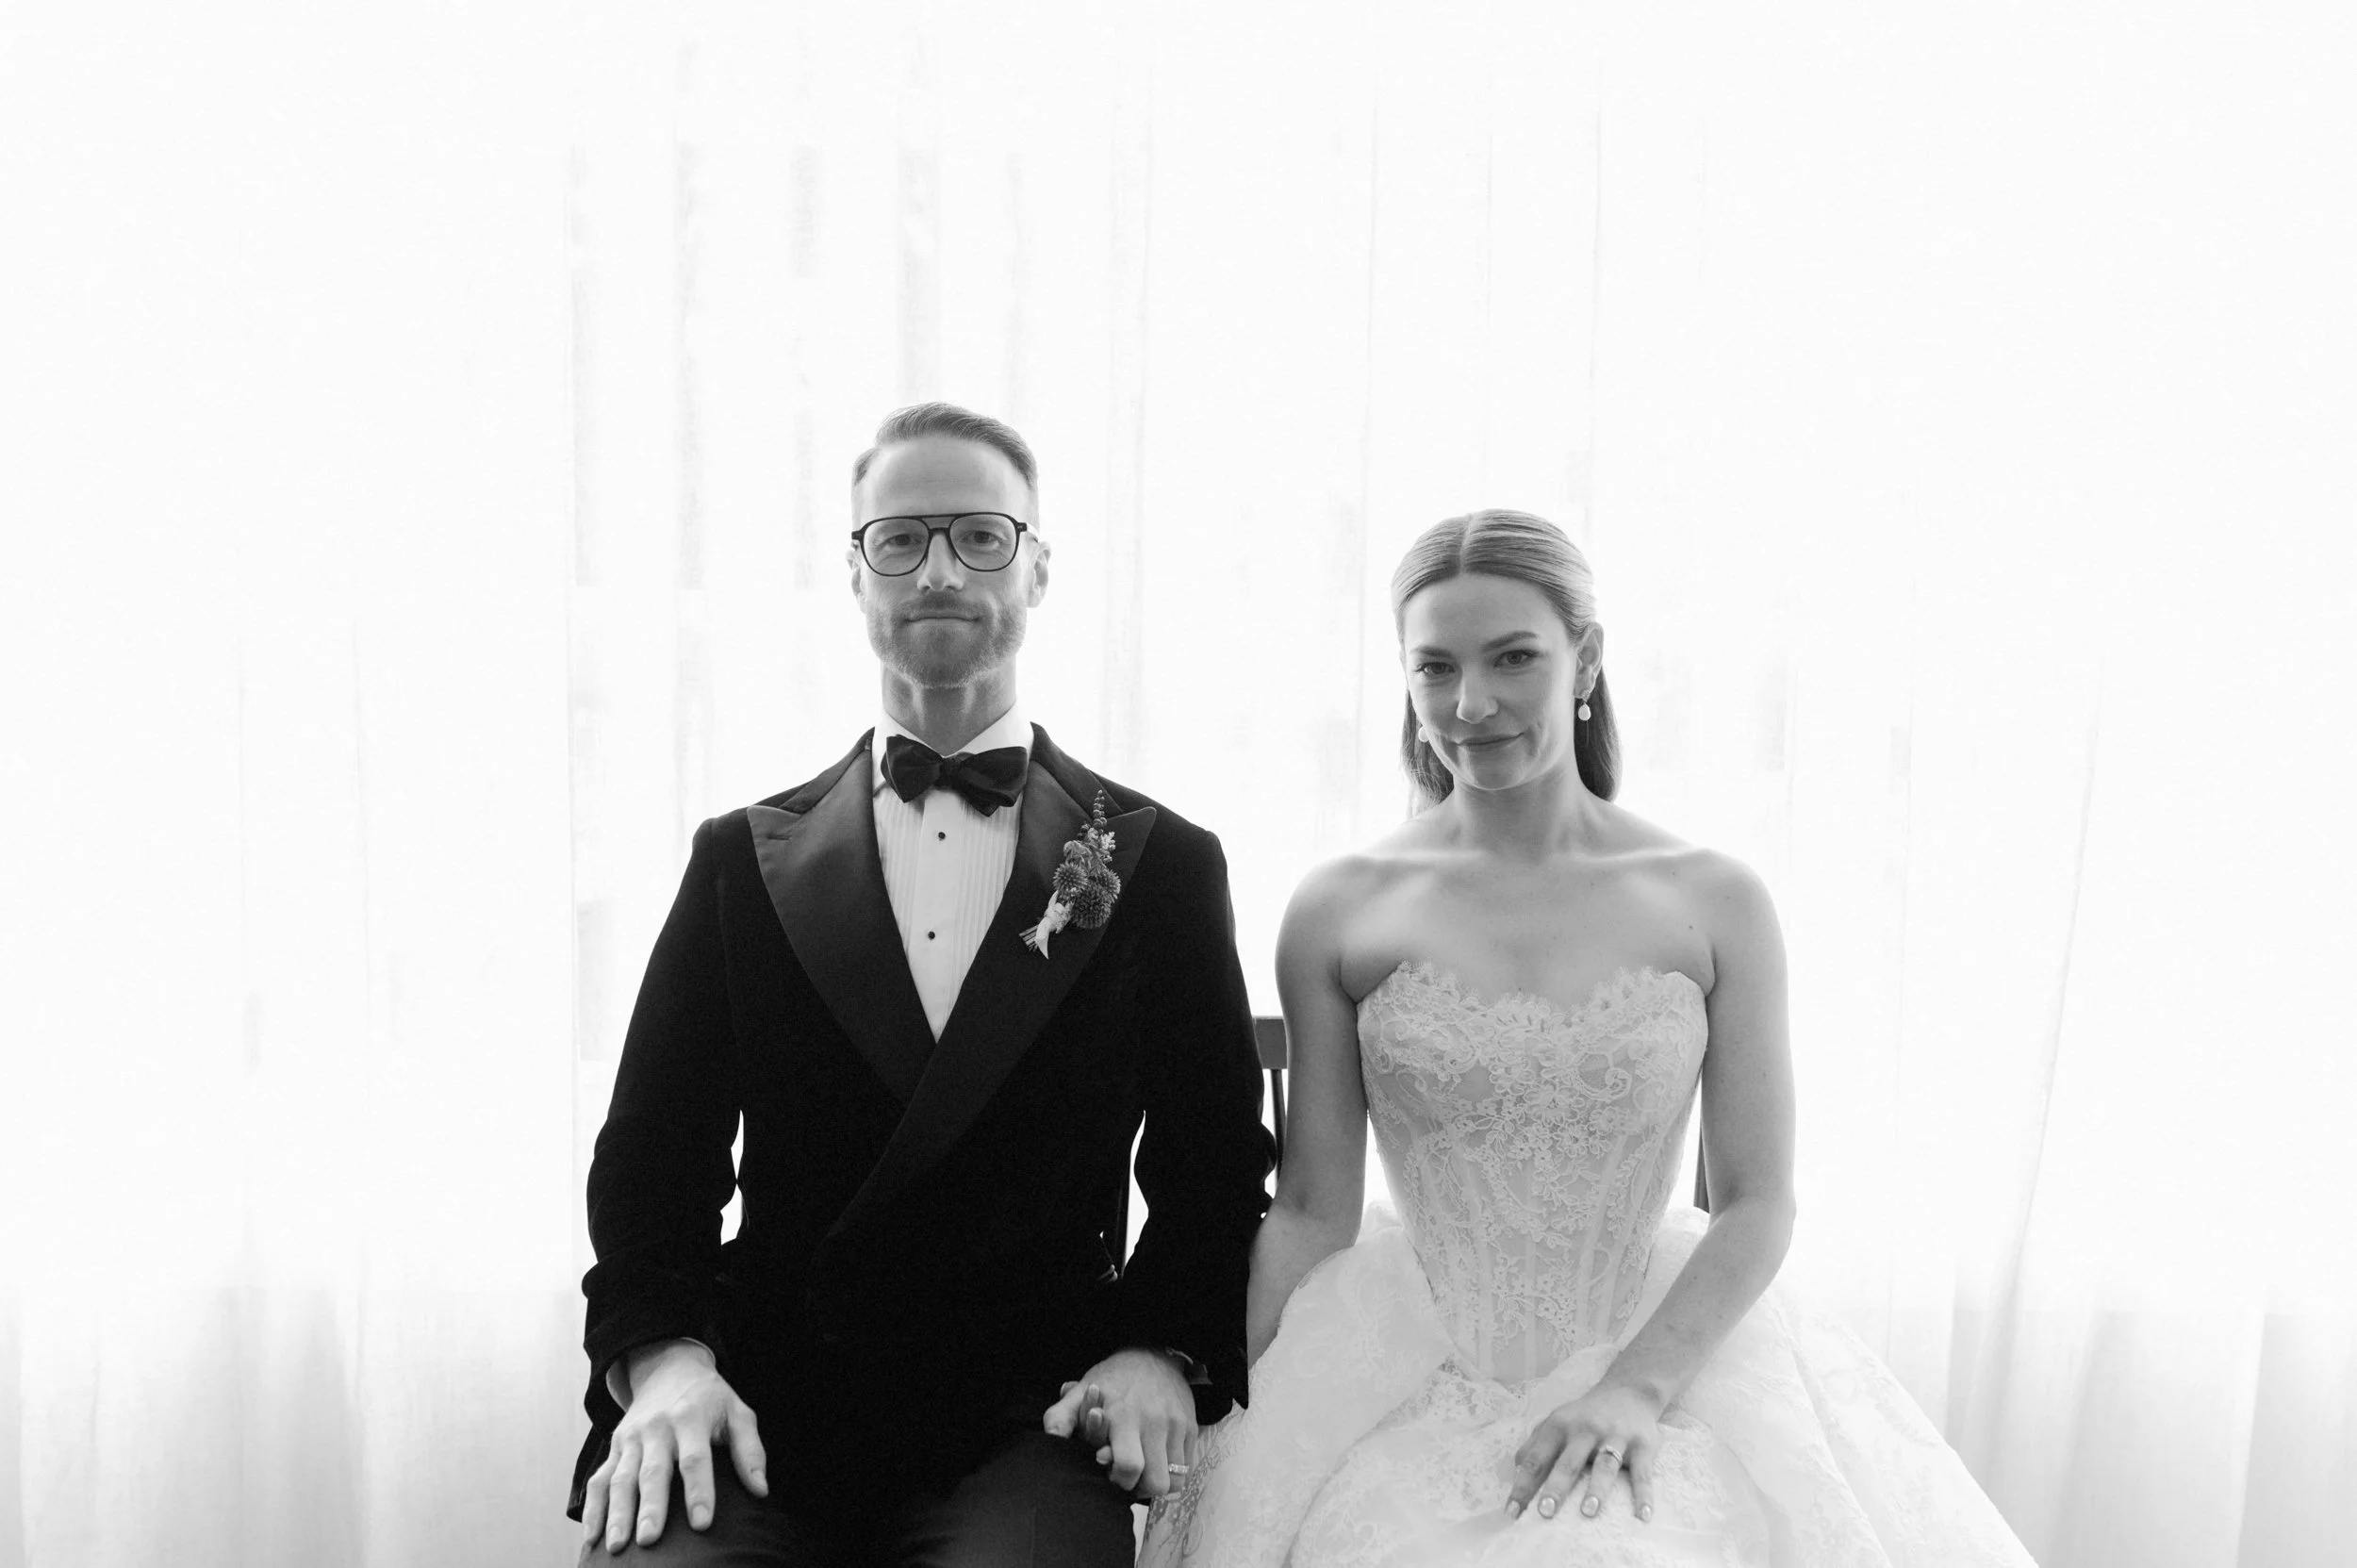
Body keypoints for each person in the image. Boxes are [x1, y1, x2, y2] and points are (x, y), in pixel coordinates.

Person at [1142, 509, 2035, 1566]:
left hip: (1656, 1355)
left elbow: (1756, 1199)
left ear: (1586, 659)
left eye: (1512, 657)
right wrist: (1204, 1401)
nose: (1469, 705)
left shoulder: (1713, 899)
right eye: (1435, 669)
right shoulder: (1340, 908)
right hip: (1408, 1369)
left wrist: (1632, 1392)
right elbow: (1308, 1210)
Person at [570, 402, 1276, 1565]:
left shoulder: (1160, 862)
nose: (940, 568)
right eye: (899, 538)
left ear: (1038, 569)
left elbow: (1211, 1169)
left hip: (1027, 1415)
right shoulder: (737, 859)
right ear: (855, 575)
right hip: (759, 1400)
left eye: (982, 536)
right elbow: (655, 1162)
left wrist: (1155, 1347)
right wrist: (668, 1364)